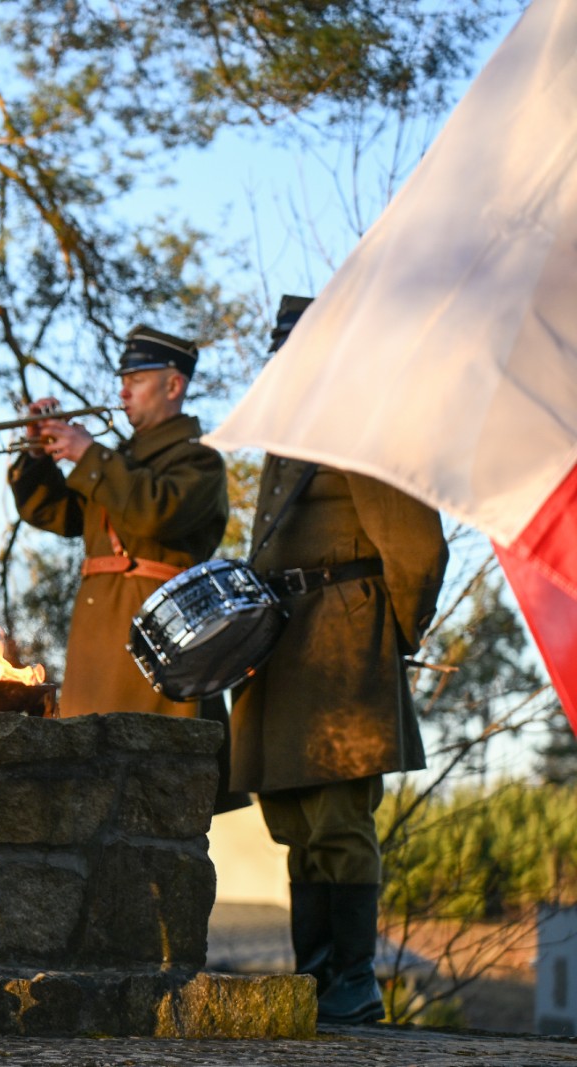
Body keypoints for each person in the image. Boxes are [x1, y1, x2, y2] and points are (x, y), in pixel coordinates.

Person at [230, 294, 449, 1025]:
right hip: (287, 641)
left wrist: (390, 636)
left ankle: (353, 980)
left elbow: (419, 550)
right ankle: (316, 976)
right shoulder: (287, 437)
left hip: (343, 642)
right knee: (295, 822)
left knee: (339, 821)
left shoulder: (366, 427)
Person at [7, 327, 230, 719]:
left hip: (159, 633)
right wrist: (37, 456)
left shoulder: (200, 460)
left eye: (136, 381)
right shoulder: (118, 465)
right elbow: (52, 513)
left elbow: (156, 514)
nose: (123, 393)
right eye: (123, 381)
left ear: (173, 385)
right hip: (95, 631)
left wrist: (90, 455)